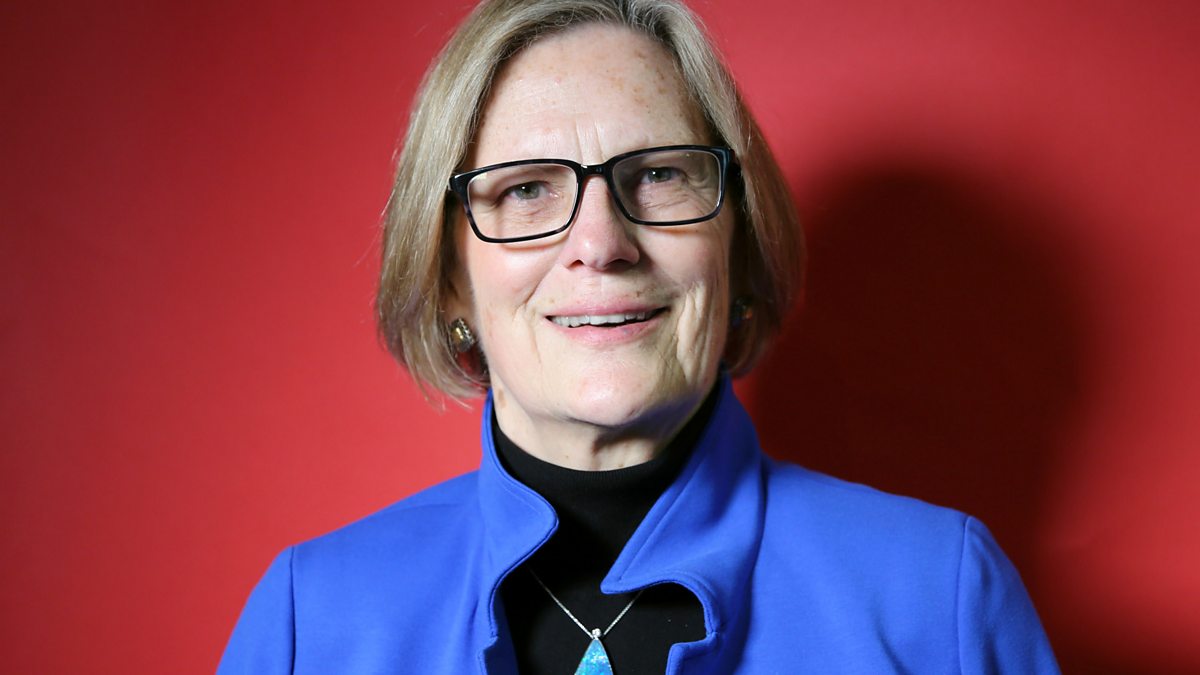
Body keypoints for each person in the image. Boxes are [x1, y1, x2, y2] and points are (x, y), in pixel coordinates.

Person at [219, 0, 1060, 672]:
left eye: (658, 174)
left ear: (737, 241)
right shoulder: (309, 621)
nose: (600, 243)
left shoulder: (938, 600)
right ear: (450, 277)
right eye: (526, 190)